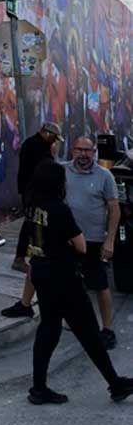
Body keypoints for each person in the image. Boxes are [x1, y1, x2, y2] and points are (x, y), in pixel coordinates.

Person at [25, 160, 133, 405]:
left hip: (41, 270)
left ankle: (39, 387)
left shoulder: (32, 205)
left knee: (49, 330)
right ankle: (115, 384)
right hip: (63, 276)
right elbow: (81, 245)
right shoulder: (59, 209)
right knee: (88, 332)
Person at [65, 135, 120, 348]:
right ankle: (75, 322)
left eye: (87, 150)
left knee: (100, 285)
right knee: (69, 283)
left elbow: (114, 210)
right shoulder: (62, 171)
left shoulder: (104, 176)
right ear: (73, 150)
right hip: (68, 240)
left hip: (94, 241)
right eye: (79, 150)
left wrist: (110, 241)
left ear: (94, 152)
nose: (83, 154)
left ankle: (107, 329)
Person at [10, 122, 63, 274]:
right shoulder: (36, 146)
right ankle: (20, 258)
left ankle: (27, 255)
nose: (54, 141)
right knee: (30, 223)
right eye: (54, 138)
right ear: (47, 134)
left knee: (33, 222)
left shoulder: (35, 144)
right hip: (33, 191)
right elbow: (45, 168)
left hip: (33, 190)